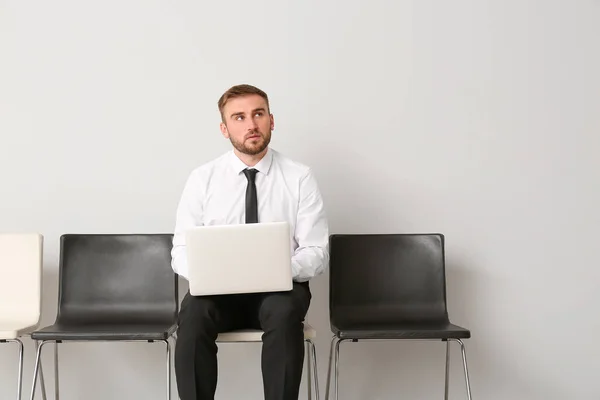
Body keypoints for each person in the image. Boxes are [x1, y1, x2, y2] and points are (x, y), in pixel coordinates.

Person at [171, 84, 329, 400]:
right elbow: (180, 251)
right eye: (239, 117)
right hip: (219, 294)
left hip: (280, 292)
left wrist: (276, 270)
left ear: (272, 120)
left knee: (284, 312)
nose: (251, 125)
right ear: (224, 128)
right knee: (192, 312)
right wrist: (208, 274)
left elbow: (317, 251)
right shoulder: (203, 179)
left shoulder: (299, 177)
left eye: (258, 114)